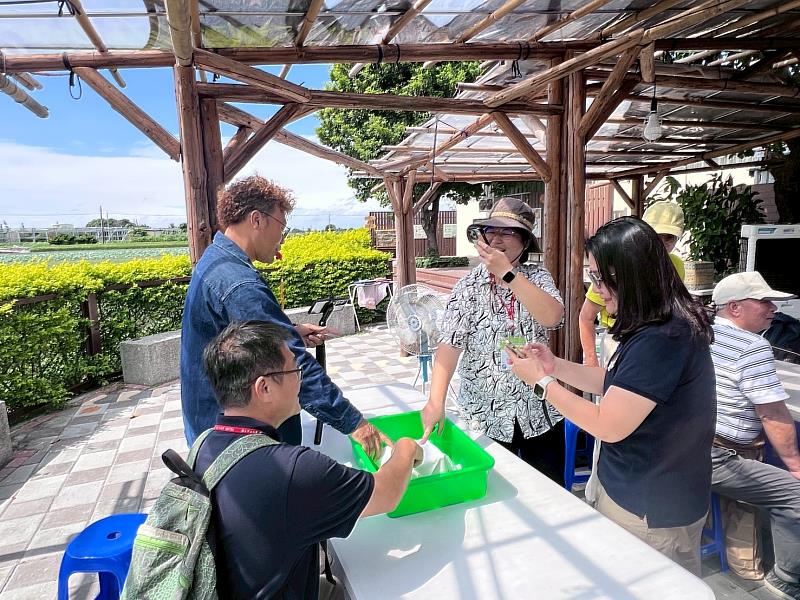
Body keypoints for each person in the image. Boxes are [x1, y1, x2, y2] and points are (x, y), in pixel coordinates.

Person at [509, 217, 716, 575]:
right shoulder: (658, 325)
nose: (597, 289)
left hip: (650, 509)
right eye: (593, 277)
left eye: (602, 279)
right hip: (646, 494)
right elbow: (618, 384)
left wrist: (542, 384)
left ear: (634, 277)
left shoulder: (662, 338)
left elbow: (609, 424)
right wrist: (554, 365)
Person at [197, 321, 422, 599]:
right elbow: (387, 493)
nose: (301, 378)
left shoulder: (205, 444)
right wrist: (407, 447)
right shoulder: (290, 470)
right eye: (295, 369)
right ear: (264, 388)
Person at [180, 175, 383, 456]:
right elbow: (291, 364)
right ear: (257, 220)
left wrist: (290, 331)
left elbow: (236, 332)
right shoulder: (240, 283)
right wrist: (355, 424)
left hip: (209, 422)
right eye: (282, 227)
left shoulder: (216, 258)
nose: (282, 240)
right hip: (233, 437)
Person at [420, 197, 566, 483]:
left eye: (508, 232)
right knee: (494, 492)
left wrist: (508, 274)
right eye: (491, 231)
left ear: (525, 243)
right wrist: (435, 401)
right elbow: (449, 346)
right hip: (485, 414)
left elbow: (553, 317)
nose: (497, 238)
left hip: (540, 409)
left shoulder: (537, 277)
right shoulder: (467, 286)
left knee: (550, 493)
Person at [710, 271, 800, 599]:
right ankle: (786, 582)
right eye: (763, 301)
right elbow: (773, 415)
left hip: (690, 446)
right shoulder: (753, 346)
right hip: (721, 455)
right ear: (734, 307)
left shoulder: (702, 333)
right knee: (797, 494)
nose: (773, 308)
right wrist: (796, 467)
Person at [579, 200, 686, 367]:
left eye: (669, 238)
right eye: (656, 236)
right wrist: (591, 361)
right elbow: (586, 316)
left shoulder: (676, 265)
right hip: (620, 339)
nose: (662, 243)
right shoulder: (618, 270)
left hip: (658, 341)